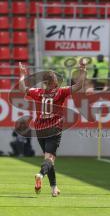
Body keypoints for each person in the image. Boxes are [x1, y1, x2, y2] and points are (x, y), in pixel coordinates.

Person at [18, 60, 86, 197]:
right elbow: (79, 86)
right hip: (53, 128)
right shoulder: (60, 92)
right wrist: (83, 70)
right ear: (54, 81)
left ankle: (54, 188)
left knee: (48, 159)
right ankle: (40, 175)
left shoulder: (37, 92)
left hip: (40, 129)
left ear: (44, 83)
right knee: (50, 159)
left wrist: (22, 75)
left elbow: (22, 88)